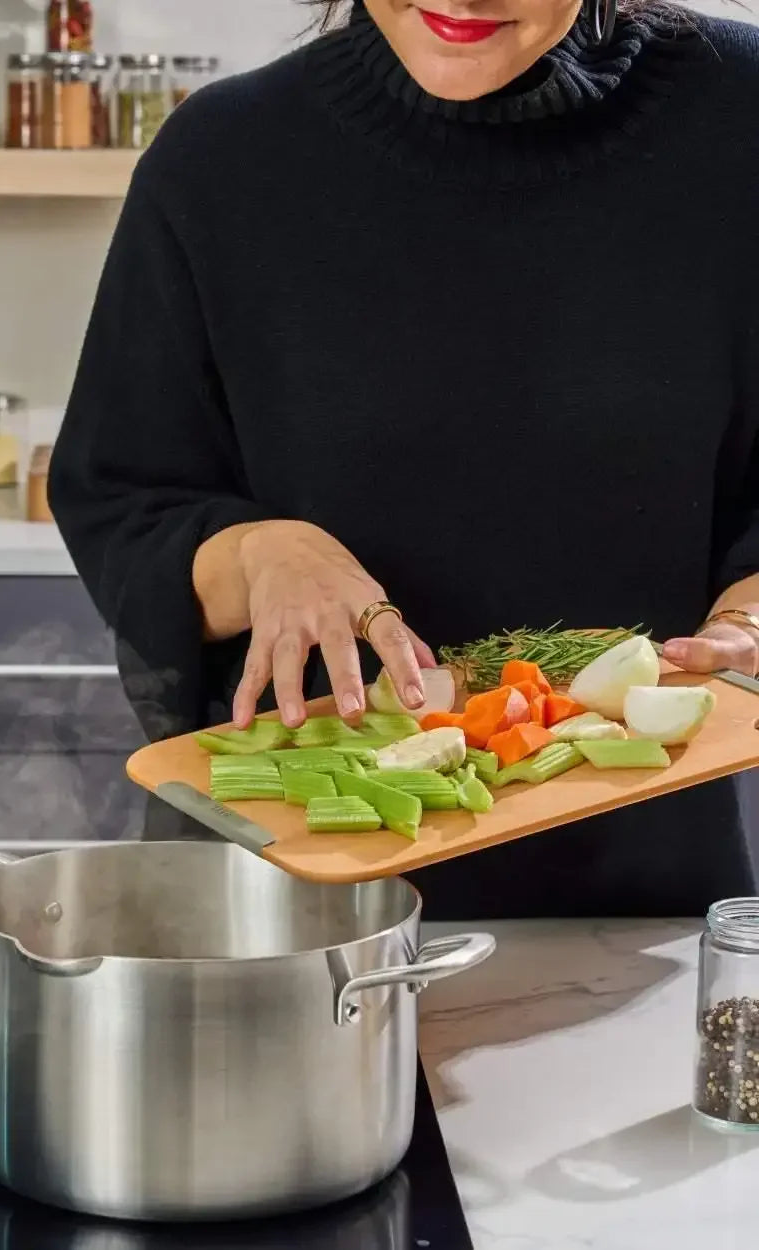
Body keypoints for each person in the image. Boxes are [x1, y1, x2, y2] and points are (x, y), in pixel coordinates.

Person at [50, 0, 759, 918]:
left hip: (631, 902)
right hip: (290, 909)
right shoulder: (221, 160)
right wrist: (258, 552)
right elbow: (122, 496)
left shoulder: (739, 120)